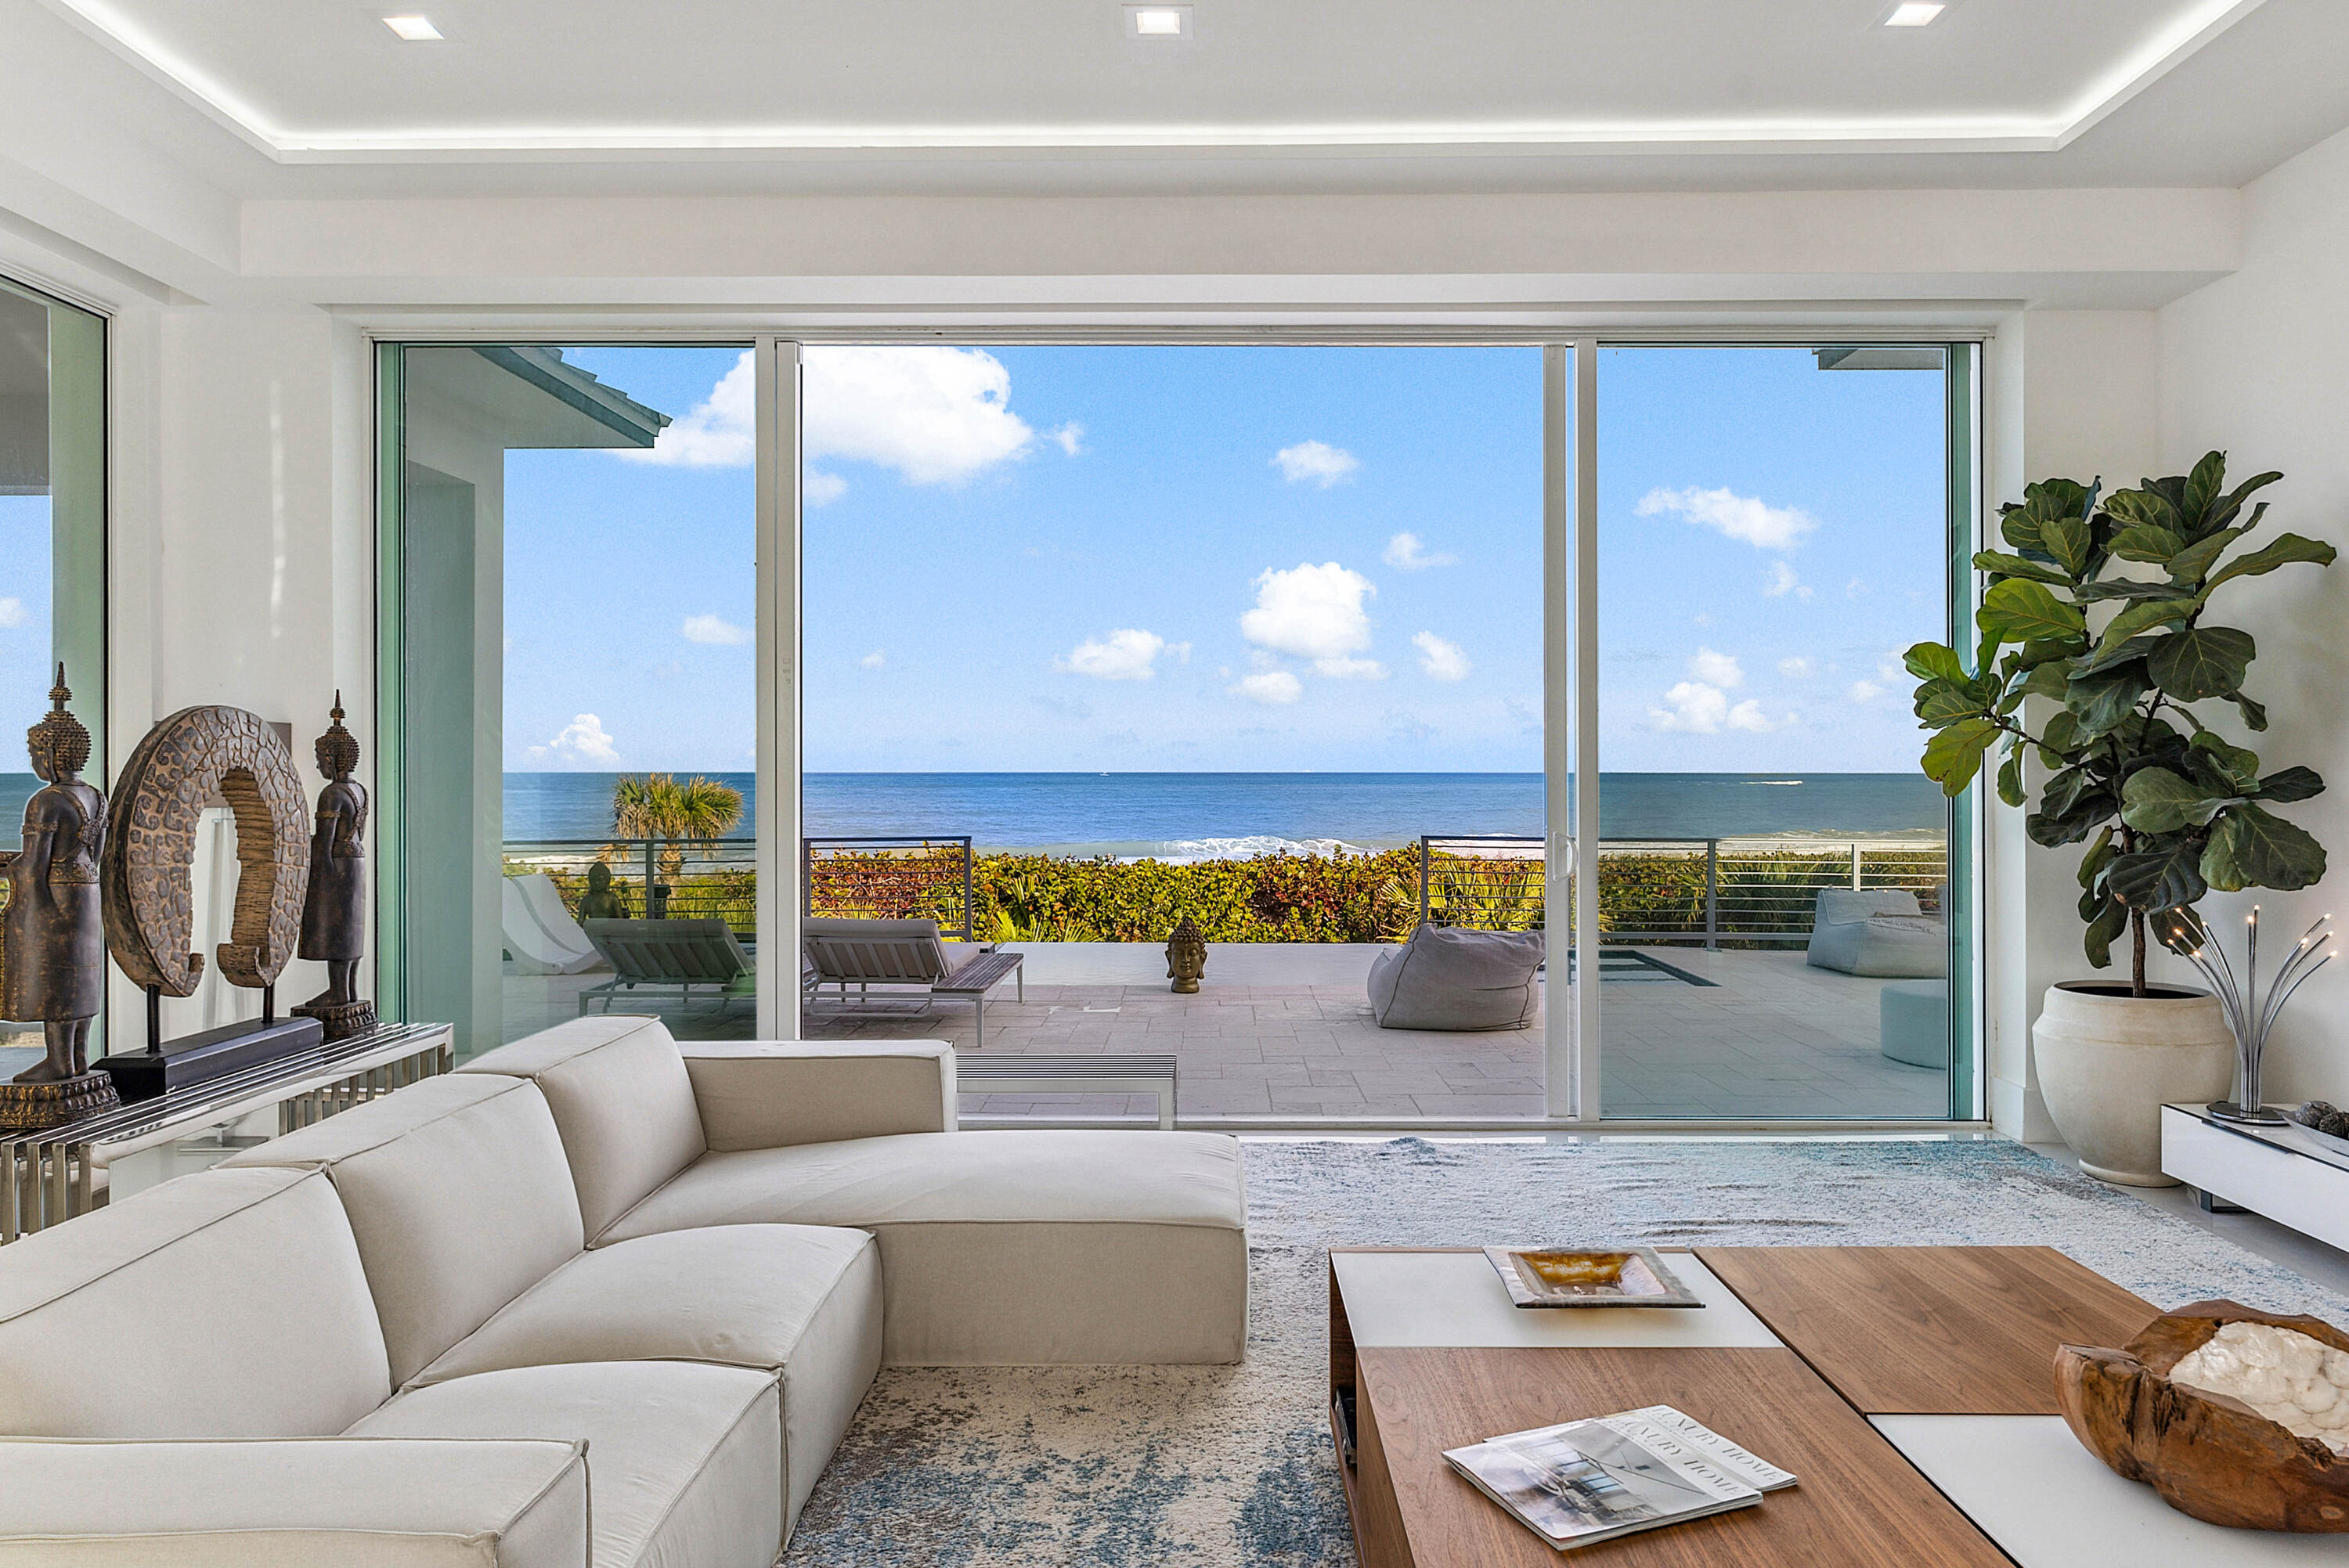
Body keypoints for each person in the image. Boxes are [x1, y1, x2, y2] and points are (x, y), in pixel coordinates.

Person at [2, 669, 107, 1083]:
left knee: (53, 977)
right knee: (80, 976)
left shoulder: (46, 801)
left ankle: (58, 1063)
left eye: (33, 753)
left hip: (53, 898)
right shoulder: (94, 796)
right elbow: (93, 854)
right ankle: (77, 1060)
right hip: (87, 893)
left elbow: (33, 865)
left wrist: (9, 866)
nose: (32, 761)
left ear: (51, 754)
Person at [297, 694, 368, 1011]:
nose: (317, 764)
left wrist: (317, 874)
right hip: (356, 863)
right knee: (351, 926)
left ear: (333, 758)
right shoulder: (359, 790)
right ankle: (347, 990)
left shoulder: (332, 794)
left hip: (336, 864)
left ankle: (338, 993)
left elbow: (324, 843)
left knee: (337, 928)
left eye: (319, 758)